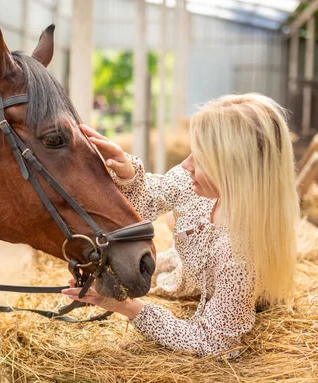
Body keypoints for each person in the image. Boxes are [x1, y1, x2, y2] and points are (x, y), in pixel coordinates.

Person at [62, 93, 300, 358]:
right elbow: (154, 196)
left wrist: (126, 307)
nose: (186, 164)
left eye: (201, 158)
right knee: (172, 218)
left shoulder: (238, 257)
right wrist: (128, 172)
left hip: (213, 285)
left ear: (233, 168)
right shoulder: (195, 184)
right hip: (183, 274)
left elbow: (213, 343)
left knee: (173, 221)